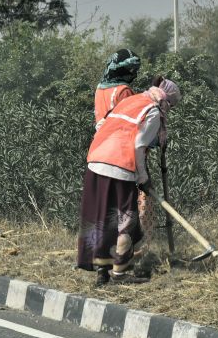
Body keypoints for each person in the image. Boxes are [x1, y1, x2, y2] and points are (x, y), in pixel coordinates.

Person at [78, 78, 182, 285]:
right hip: (121, 164)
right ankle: (119, 273)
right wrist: (143, 177)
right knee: (126, 221)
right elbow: (139, 146)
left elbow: (103, 125)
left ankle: (102, 272)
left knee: (103, 219)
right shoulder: (152, 111)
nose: (168, 109)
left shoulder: (131, 100)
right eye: (170, 105)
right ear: (165, 100)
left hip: (96, 160)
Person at [94, 49, 141, 129]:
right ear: (120, 70)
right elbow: (131, 120)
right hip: (118, 138)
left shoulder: (99, 89)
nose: (134, 75)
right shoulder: (123, 91)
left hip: (100, 138)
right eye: (130, 70)